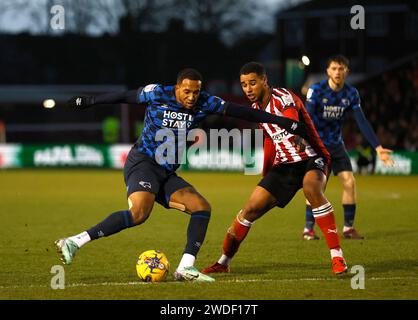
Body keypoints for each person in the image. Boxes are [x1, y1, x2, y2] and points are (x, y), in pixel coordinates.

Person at [55, 68, 308, 282]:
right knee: (140, 213)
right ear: (177, 88)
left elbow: (244, 112)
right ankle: (74, 242)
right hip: (143, 162)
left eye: (196, 92)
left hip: (165, 171)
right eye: (186, 91)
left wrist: (282, 121)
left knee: (202, 207)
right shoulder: (157, 93)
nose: (191, 97)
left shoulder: (206, 102)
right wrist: (90, 101)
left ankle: (185, 267)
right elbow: (124, 96)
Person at [202, 62, 348, 276]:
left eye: (253, 83)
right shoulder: (255, 110)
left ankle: (337, 257)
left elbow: (291, 119)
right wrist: (266, 175)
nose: (248, 89)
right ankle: (223, 262)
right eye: (244, 85)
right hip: (284, 166)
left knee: (311, 189)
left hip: (312, 157)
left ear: (264, 80)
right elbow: (270, 141)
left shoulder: (282, 96)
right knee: (249, 210)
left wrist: (296, 133)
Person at [302, 55, 394, 241]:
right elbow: (307, 117)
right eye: (334, 68)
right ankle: (309, 229)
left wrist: (378, 147)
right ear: (328, 71)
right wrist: (303, 140)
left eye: (341, 69)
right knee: (318, 186)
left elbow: (361, 121)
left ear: (347, 72)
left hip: (336, 144)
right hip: (318, 146)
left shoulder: (351, 93)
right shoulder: (316, 90)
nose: (337, 72)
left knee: (350, 182)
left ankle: (348, 228)